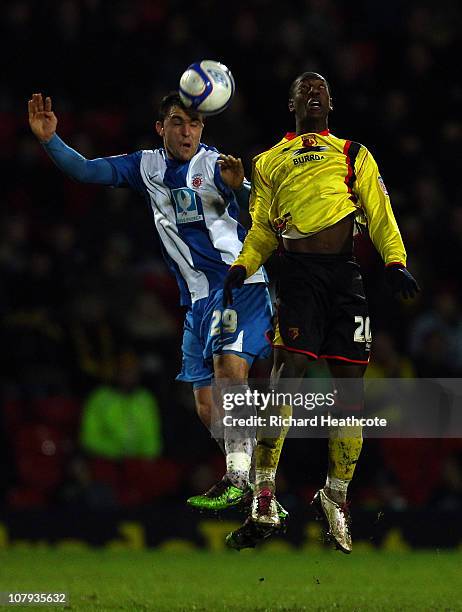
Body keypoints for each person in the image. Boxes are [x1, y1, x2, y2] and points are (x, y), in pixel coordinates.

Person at [28, 91, 283, 515]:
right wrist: (50, 140)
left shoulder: (215, 165)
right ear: (160, 127)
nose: (187, 132)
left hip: (237, 285)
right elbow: (86, 171)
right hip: (197, 300)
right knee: (206, 408)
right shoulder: (144, 166)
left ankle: (238, 482)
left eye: (195, 124)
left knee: (230, 374)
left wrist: (239, 190)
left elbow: (263, 212)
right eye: (178, 123)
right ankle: (263, 491)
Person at [223, 72, 419, 552]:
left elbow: (378, 209)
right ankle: (265, 490)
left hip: (345, 278)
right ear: (291, 103)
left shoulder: (353, 154)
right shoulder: (269, 161)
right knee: (288, 372)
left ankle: (335, 496)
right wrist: (245, 263)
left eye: (322, 89)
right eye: (304, 89)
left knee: (351, 390)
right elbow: (263, 227)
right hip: (299, 276)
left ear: (331, 102)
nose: (314, 93)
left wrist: (395, 260)